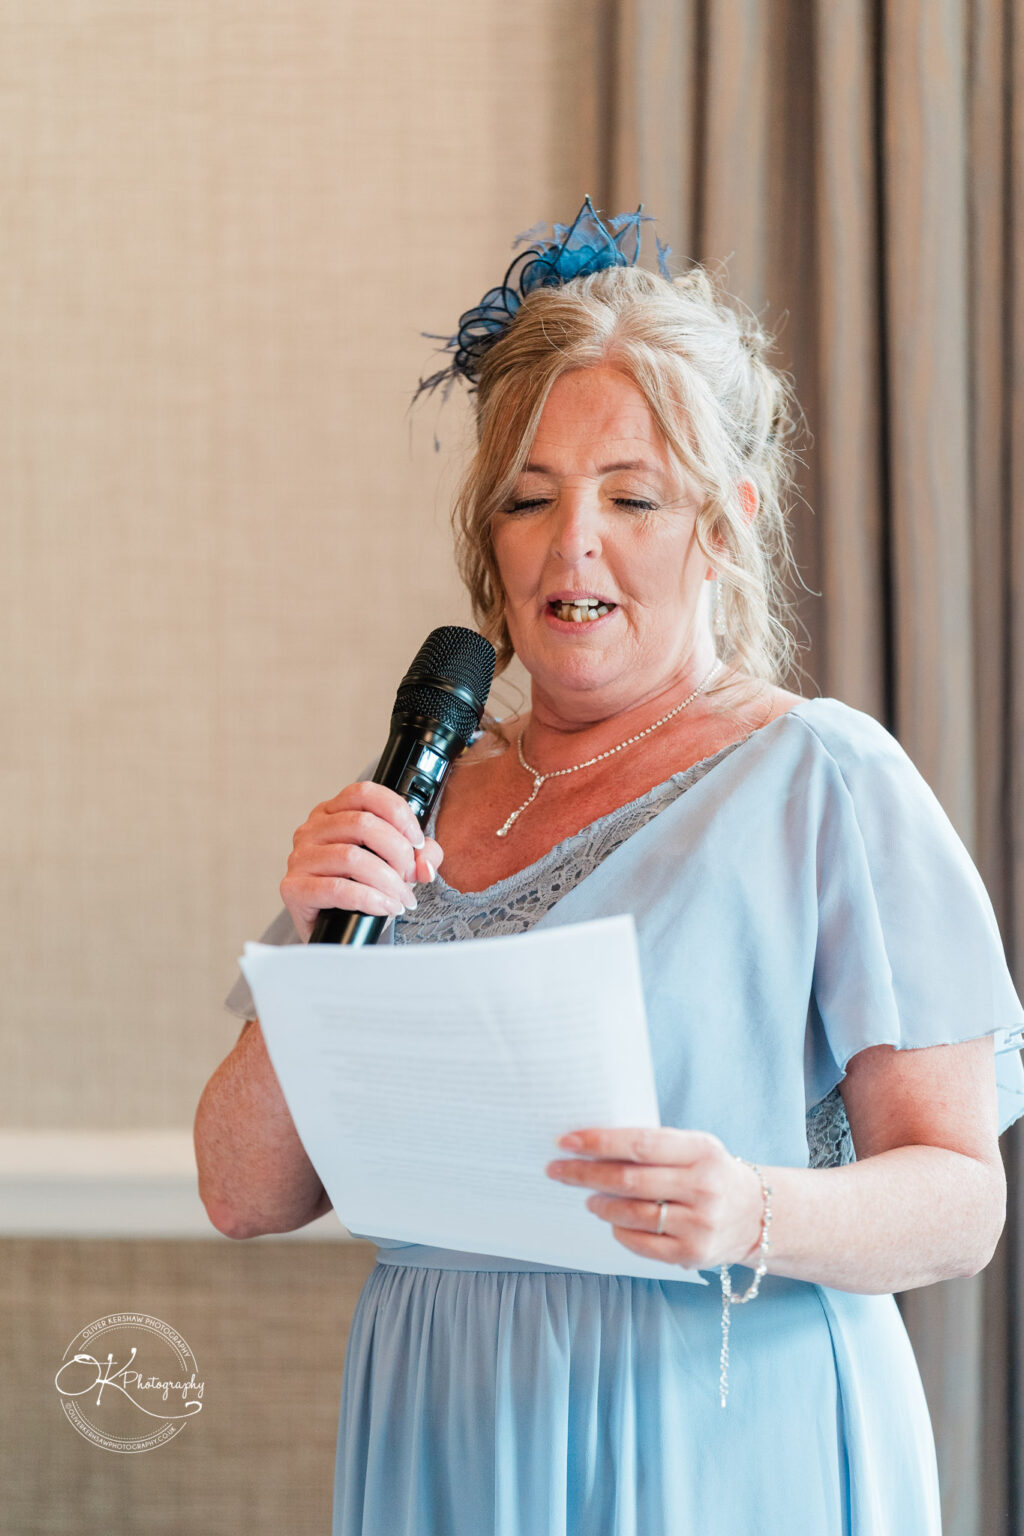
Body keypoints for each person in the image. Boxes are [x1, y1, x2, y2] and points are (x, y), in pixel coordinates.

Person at [194, 199, 1024, 1536]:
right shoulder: (416, 796)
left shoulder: (826, 779)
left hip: (721, 1427)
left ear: (726, 521)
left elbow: (958, 1203)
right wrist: (308, 928)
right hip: (445, 1426)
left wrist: (752, 1208)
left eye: (632, 497)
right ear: (492, 534)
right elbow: (244, 1194)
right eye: (532, 499)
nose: (574, 541)